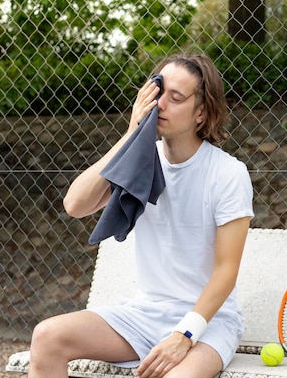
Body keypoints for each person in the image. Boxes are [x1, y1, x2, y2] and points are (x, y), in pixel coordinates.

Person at [28, 54, 254, 378]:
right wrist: (133, 133)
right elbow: (75, 204)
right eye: (157, 92)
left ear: (201, 113)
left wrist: (184, 335)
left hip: (208, 323)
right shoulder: (140, 160)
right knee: (47, 337)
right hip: (144, 314)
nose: (160, 104)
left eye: (176, 98)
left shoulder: (228, 174)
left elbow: (225, 271)